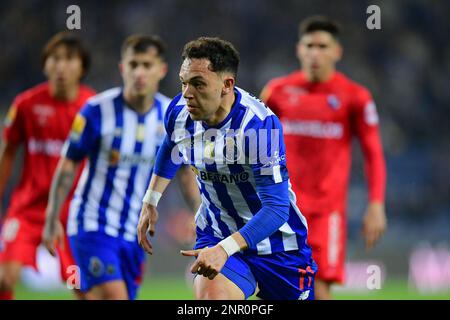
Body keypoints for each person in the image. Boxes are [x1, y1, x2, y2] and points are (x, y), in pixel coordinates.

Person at [137, 37, 317, 300]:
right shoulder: (179, 112)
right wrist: (151, 199)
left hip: (279, 247)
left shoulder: (257, 127)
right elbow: (171, 146)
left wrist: (225, 249)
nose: (187, 93)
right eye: (184, 83)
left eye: (198, 84)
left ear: (226, 85)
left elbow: (276, 209)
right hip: (217, 233)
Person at [42, 34, 198, 300]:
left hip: (134, 234)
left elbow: (184, 172)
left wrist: (199, 213)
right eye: (133, 64)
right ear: (122, 68)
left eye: (147, 65)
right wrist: (51, 217)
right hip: (92, 224)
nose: (139, 72)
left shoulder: (172, 116)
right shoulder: (96, 110)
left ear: (161, 70)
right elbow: (68, 165)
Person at [260, 16, 387, 299]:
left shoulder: (355, 97)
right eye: (309, 45)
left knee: (319, 287)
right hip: (280, 208)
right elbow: (253, 146)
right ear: (299, 49)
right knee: (276, 288)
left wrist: (376, 203)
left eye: (323, 46)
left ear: (337, 52)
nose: (315, 53)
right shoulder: (277, 92)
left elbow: (373, 152)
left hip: (326, 212)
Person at [0, 31, 95, 300]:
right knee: (4, 278)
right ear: (45, 65)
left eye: (69, 59)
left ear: (82, 67)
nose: (61, 66)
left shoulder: (92, 108)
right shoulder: (26, 105)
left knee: (81, 286)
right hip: (27, 209)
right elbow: (8, 152)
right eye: (54, 59)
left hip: (72, 213)